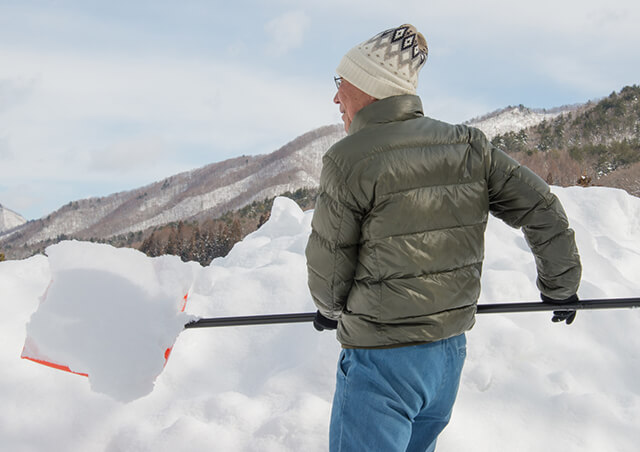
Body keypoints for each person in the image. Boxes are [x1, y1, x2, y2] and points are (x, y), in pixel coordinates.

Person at [304, 24, 582, 452]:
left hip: (382, 358)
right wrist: (560, 288)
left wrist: (328, 307)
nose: (336, 97)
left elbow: (329, 266)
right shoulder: (469, 146)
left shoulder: (348, 159)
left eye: (340, 84)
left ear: (369, 87)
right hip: (447, 357)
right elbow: (542, 209)